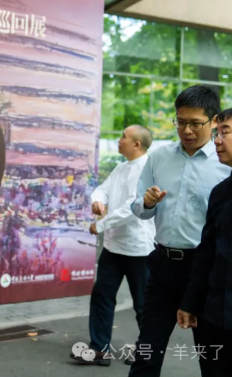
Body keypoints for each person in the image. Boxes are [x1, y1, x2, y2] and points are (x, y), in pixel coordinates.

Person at [128, 85, 230, 377]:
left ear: (213, 121)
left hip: (206, 271)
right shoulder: (159, 157)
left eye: (195, 123)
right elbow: (138, 208)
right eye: (180, 122)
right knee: (147, 353)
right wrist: (147, 203)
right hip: (163, 266)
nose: (186, 130)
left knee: (211, 356)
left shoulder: (225, 163)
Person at [70, 125, 156, 366]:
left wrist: (101, 224)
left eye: (123, 137)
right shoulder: (121, 167)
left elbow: (132, 207)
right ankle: (99, 349)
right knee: (102, 296)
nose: (119, 140)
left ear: (137, 144)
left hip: (139, 249)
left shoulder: (147, 170)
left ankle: (146, 351)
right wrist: (98, 201)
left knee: (144, 305)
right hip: (113, 247)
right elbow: (102, 189)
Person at [177, 106, 232, 376]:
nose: (216, 141)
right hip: (214, 318)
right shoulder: (221, 193)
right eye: (216, 134)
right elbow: (206, 254)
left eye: (225, 132)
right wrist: (190, 303)